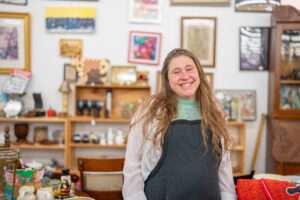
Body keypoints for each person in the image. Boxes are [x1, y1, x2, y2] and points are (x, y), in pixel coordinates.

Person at [122, 48, 237, 200]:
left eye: (189, 69)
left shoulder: (213, 110)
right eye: (176, 72)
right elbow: (132, 166)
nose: (185, 76)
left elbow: (224, 167)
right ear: (167, 79)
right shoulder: (151, 110)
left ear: (199, 74)